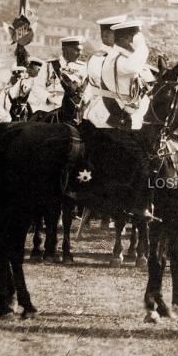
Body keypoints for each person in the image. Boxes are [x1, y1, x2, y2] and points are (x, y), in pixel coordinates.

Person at [82, 18, 154, 220]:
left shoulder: (122, 57)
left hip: (121, 116)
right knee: (142, 158)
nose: (136, 42)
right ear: (124, 39)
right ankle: (138, 205)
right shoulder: (118, 60)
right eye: (134, 38)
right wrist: (142, 45)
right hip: (110, 119)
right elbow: (133, 67)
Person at [31, 36, 87, 117]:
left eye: (80, 50)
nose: (80, 53)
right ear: (65, 50)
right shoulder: (49, 65)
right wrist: (48, 97)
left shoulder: (83, 67)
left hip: (74, 110)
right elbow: (37, 87)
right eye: (77, 50)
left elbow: (87, 89)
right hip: (51, 109)